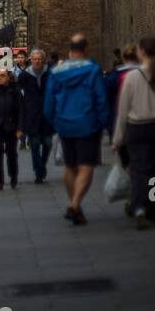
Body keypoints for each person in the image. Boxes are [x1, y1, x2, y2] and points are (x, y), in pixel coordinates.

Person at [112, 36, 155, 228]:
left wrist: (117, 139)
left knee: (139, 169)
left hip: (136, 129)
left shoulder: (132, 77)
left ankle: (140, 206)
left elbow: (122, 111)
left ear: (141, 52)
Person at [43, 34, 107, 225]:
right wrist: (103, 122)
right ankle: (75, 203)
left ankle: (75, 207)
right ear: (85, 50)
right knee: (86, 165)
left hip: (64, 124)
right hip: (87, 123)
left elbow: (48, 103)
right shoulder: (93, 70)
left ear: (69, 50)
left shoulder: (56, 72)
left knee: (70, 166)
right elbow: (101, 99)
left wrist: (54, 122)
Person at [18, 47, 53, 183]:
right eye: (34, 59)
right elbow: (18, 92)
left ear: (43, 60)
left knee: (48, 143)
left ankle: (42, 164)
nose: (37, 62)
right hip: (31, 114)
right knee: (35, 143)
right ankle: (38, 171)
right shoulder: (25, 75)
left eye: (39, 59)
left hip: (46, 114)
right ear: (30, 60)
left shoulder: (49, 74)